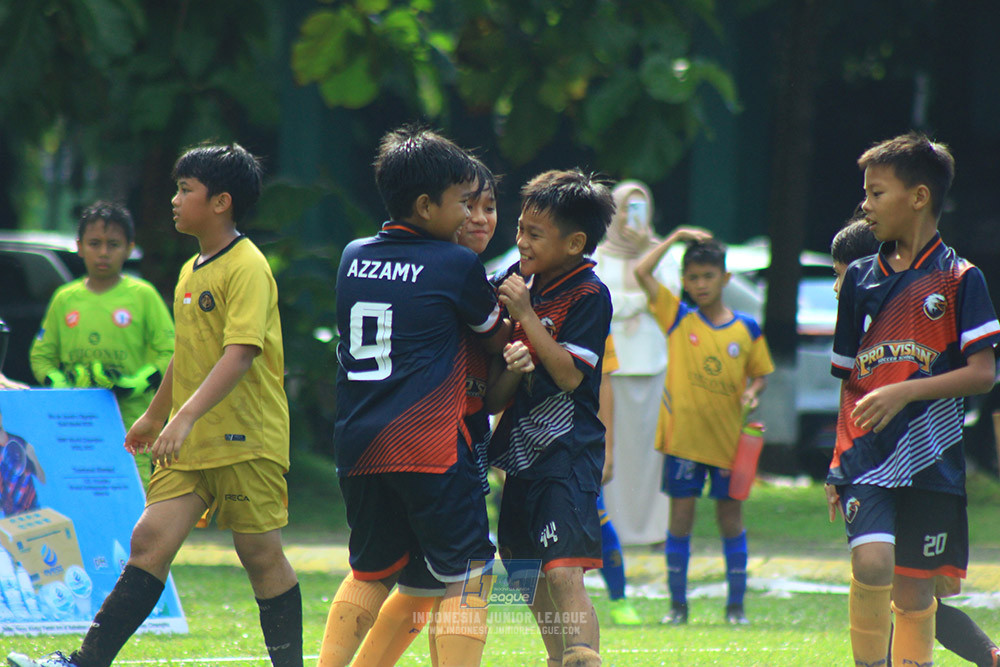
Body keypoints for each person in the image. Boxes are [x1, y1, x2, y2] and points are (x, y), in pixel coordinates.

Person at [8, 143, 303, 667]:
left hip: (245, 438)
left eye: (185, 190)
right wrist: (156, 413)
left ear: (220, 202)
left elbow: (240, 355)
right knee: (148, 541)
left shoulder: (248, 266)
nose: (174, 199)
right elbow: (189, 355)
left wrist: (184, 416)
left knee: (260, 556)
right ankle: (86, 662)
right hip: (190, 441)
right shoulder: (192, 269)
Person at [318, 127, 508, 667]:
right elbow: (494, 335)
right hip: (429, 447)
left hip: (358, 445)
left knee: (372, 572)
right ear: (427, 206)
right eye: (462, 203)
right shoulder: (456, 265)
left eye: (483, 205)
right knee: (470, 576)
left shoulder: (353, 255)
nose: (472, 214)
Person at [826, 132, 1000, 667]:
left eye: (876, 193)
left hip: (931, 461)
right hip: (866, 456)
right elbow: (850, 380)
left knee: (916, 594)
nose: (865, 204)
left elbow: (983, 374)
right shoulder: (858, 278)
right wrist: (838, 461)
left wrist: (905, 391)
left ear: (918, 197)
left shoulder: (960, 279)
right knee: (873, 563)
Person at [487, 168, 615, 667]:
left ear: (574, 242)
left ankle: (584, 657)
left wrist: (525, 316)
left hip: (568, 452)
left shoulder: (589, 293)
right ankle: (559, 659)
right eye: (519, 229)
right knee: (521, 568)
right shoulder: (519, 283)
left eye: (533, 234)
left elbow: (569, 376)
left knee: (564, 572)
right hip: (521, 455)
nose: (519, 241)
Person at [634, 232, 774, 626]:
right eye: (692, 277)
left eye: (708, 276)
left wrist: (753, 391)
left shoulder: (746, 329)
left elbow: (760, 375)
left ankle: (736, 608)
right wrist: (676, 236)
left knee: (731, 521)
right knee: (680, 522)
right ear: (684, 280)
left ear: (725, 278)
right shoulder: (677, 318)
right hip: (683, 444)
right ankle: (677, 608)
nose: (700, 284)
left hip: (729, 445)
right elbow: (641, 271)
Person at [29, 201, 174, 488]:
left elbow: (169, 352)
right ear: (80, 247)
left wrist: (133, 383)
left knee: (134, 498)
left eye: (114, 244)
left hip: (132, 423)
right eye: (95, 243)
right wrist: (61, 382)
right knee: (79, 490)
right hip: (75, 422)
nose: (104, 252)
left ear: (130, 248)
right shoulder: (64, 298)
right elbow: (41, 356)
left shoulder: (144, 295)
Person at [592, 180, 671, 546]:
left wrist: (633, 293)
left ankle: (652, 530)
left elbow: (668, 302)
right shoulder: (598, 255)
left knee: (650, 451)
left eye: (638, 208)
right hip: (611, 369)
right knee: (614, 448)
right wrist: (639, 299)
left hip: (654, 365)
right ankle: (616, 530)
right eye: (624, 208)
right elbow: (600, 301)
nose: (629, 217)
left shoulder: (663, 255)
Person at [594, 334, 642, 626]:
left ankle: (619, 599)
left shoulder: (590, 302)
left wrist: (607, 448)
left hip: (579, 440)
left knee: (598, 521)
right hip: (530, 435)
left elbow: (603, 381)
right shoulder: (522, 300)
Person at [0, 404, 45, 517]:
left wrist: (34, 458)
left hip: (33, 509)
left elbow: (42, 479)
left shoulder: (20, 442)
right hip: (12, 515)